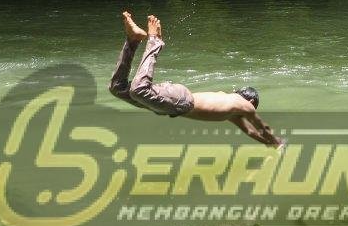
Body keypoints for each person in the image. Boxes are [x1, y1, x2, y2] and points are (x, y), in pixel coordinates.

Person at [109, 11, 283, 147]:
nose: (249, 110)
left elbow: (252, 132)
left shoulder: (232, 111)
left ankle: (132, 40)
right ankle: (154, 41)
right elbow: (262, 128)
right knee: (139, 89)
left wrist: (269, 145)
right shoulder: (242, 103)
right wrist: (277, 141)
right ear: (251, 100)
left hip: (171, 106)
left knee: (117, 87)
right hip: (180, 100)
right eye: (253, 106)